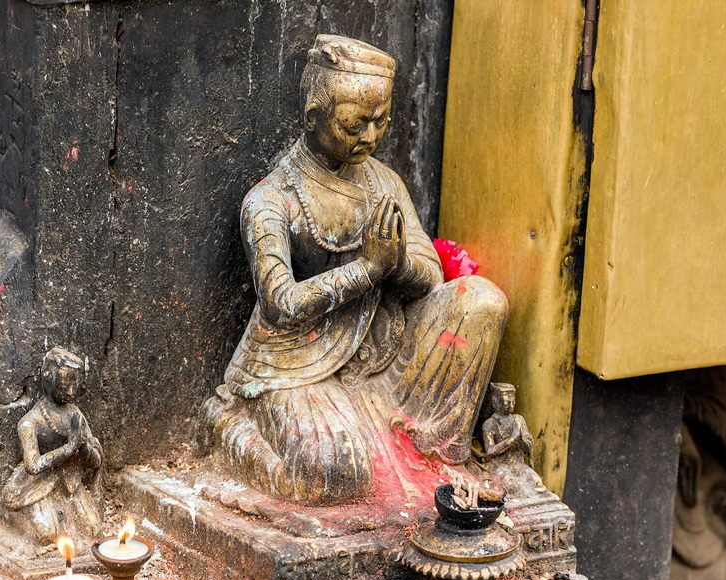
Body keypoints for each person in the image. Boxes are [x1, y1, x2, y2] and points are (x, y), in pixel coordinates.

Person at [200, 35, 507, 505]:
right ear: (313, 118)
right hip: (297, 368)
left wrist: (397, 263)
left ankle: (433, 450)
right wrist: (368, 268)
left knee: (481, 300)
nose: (371, 137)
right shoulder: (271, 200)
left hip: (383, 352)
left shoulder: (385, 182)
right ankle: (230, 425)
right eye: (354, 124)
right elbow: (281, 304)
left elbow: (431, 275)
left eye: (381, 122)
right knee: (335, 472)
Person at [0, 347, 103, 549]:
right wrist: (68, 449)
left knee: (93, 529)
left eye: (75, 384)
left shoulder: (75, 414)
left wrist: (83, 448)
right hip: (40, 485)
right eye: (66, 384)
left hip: (71, 483)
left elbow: (96, 461)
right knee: (47, 534)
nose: (71, 391)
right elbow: (33, 466)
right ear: (48, 377)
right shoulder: (31, 422)